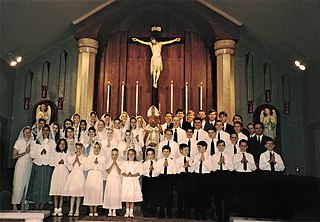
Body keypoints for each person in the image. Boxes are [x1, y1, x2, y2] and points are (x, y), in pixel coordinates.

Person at [27, 124, 56, 210]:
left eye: (47, 130)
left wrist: (47, 152)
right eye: (44, 130)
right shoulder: (36, 141)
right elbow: (32, 154)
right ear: (41, 131)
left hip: (47, 165)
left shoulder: (52, 142)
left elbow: (54, 154)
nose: (45, 132)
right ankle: (36, 206)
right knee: (37, 185)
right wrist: (40, 151)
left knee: (45, 185)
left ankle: (42, 205)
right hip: (38, 165)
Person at [11, 126, 33, 210]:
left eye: (29, 132)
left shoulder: (32, 142)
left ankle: (24, 205)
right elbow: (14, 156)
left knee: (26, 185)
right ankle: (15, 206)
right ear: (23, 133)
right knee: (18, 185)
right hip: (20, 165)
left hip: (29, 165)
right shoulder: (18, 142)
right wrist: (25, 152)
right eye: (26, 132)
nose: (27, 134)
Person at [63, 142, 86, 217]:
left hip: (79, 175)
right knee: (72, 195)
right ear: (75, 149)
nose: (78, 150)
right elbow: (70, 168)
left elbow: (83, 168)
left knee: (78, 194)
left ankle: (77, 210)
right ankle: (71, 210)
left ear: (82, 149)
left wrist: (78, 161)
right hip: (73, 175)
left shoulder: (84, 158)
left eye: (80, 148)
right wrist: (74, 161)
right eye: (77, 148)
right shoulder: (71, 157)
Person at [83, 141, 105, 216]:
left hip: (98, 175)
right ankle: (90, 210)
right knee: (91, 191)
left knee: (97, 191)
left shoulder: (102, 158)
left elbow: (103, 168)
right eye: (95, 148)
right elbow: (85, 167)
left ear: (100, 149)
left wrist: (98, 164)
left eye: (98, 148)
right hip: (91, 174)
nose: (96, 149)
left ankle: (95, 210)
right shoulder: (89, 157)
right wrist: (93, 164)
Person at [154, 145, 177, 218]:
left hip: (169, 178)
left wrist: (168, 166)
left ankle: (169, 212)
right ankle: (161, 212)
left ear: (170, 152)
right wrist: (163, 166)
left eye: (167, 152)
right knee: (161, 195)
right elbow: (156, 171)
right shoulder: (159, 161)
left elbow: (174, 171)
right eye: (164, 152)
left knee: (169, 196)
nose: (166, 153)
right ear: (162, 152)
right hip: (161, 178)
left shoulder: (172, 161)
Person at [192, 141, 213, 220]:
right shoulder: (196, 156)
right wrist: (198, 161)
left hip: (206, 176)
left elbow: (211, 168)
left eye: (199, 147)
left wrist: (204, 161)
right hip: (197, 176)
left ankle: (204, 214)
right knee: (197, 195)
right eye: (197, 147)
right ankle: (197, 214)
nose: (198, 149)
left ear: (204, 147)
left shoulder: (209, 156)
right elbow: (193, 168)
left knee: (205, 195)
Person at [121, 149, 143, 218]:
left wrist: (133, 175)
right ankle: (127, 211)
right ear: (127, 155)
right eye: (129, 154)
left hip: (134, 181)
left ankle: (131, 212)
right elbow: (122, 172)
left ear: (134, 155)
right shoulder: (124, 163)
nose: (131, 155)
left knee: (132, 197)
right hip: (127, 181)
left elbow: (140, 172)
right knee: (127, 197)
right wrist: (127, 174)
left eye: (132, 154)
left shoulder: (137, 163)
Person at [50, 138, 69, 216]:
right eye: (60, 144)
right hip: (57, 172)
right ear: (58, 145)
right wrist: (58, 162)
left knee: (61, 192)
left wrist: (65, 162)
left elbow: (69, 164)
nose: (62, 145)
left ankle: (60, 209)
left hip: (64, 172)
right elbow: (52, 162)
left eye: (63, 144)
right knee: (56, 191)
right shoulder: (55, 153)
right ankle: (55, 208)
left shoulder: (67, 154)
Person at [103, 148, 122, 217]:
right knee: (110, 194)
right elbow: (108, 171)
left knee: (115, 194)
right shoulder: (108, 162)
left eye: (116, 154)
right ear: (111, 155)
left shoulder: (120, 162)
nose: (114, 156)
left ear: (118, 155)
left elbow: (120, 172)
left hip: (117, 179)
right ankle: (109, 210)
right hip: (110, 179)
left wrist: (116, 163)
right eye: (113, 154)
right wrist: (112, 163)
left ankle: (114, 210)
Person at [175, 143, 192, 219]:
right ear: (180, 150)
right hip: (180, 178)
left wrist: (189, 167)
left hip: (188, 177)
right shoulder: (177, 160)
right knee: (180, 196)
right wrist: (184, 166)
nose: (187, 151)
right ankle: (179, 213)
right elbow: (176, 170)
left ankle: (186, 213)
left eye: (188, 150)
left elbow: (193, 169)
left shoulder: (190, 159)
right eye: (185, 150)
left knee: (188, 196)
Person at [141, 148, 157, 217]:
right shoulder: (144, 164)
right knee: (146, 196)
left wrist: (154, 170)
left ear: (154, 155)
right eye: (148, 155)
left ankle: (153, 212)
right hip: (146, 179)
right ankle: (145, 212)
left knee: (154, 196)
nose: (150, 156)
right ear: (147, 156)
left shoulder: (157, 163)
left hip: (154, 180)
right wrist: (148, 170)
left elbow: (158, 172)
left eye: (151, 154)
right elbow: (142, 172)